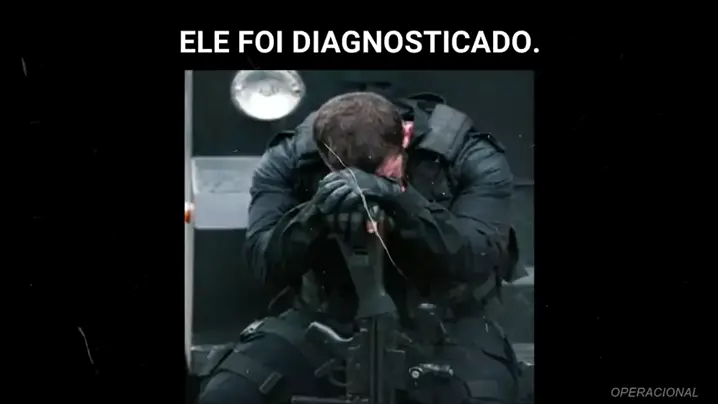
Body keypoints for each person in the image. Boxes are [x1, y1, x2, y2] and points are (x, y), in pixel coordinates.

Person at [197, 92, 523, 404]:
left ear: (405, 138)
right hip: (326, 317)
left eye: (386, 173)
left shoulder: (467, 156)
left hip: (444, 322)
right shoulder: (290, 158)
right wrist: (316, 212)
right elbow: (264, 263)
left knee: (484, 395)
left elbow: (476, 258)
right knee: (229, 393)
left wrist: (400, 200)